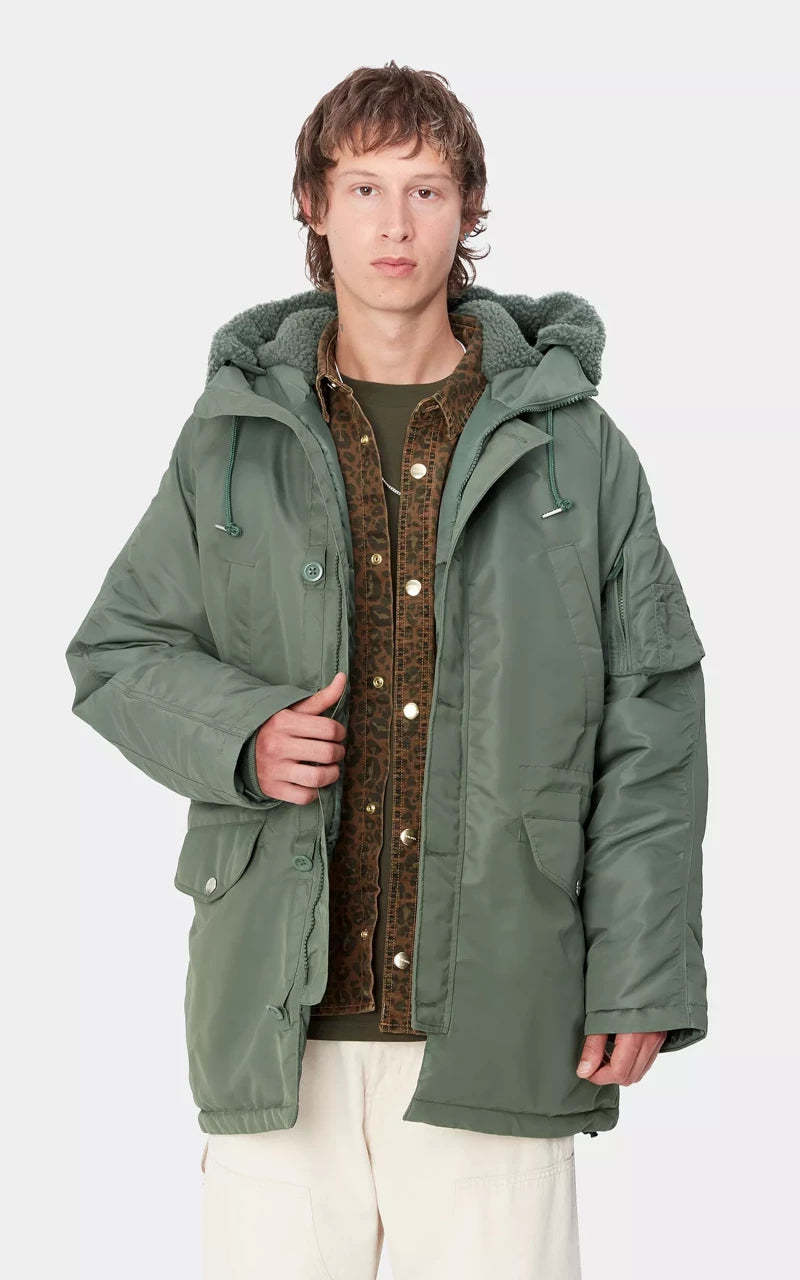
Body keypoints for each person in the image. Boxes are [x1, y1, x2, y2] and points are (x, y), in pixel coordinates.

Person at [65, 60, 709, 1280]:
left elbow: (652, 720)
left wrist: (639, 971)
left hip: (502, 1009)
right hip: (276, 1016)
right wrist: (242, 732)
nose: (394, 222)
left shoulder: (576, 449)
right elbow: (116, 650)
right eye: (362, 187)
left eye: (425, 188)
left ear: (469, 208)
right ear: (312, 205)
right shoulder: (232, 438)